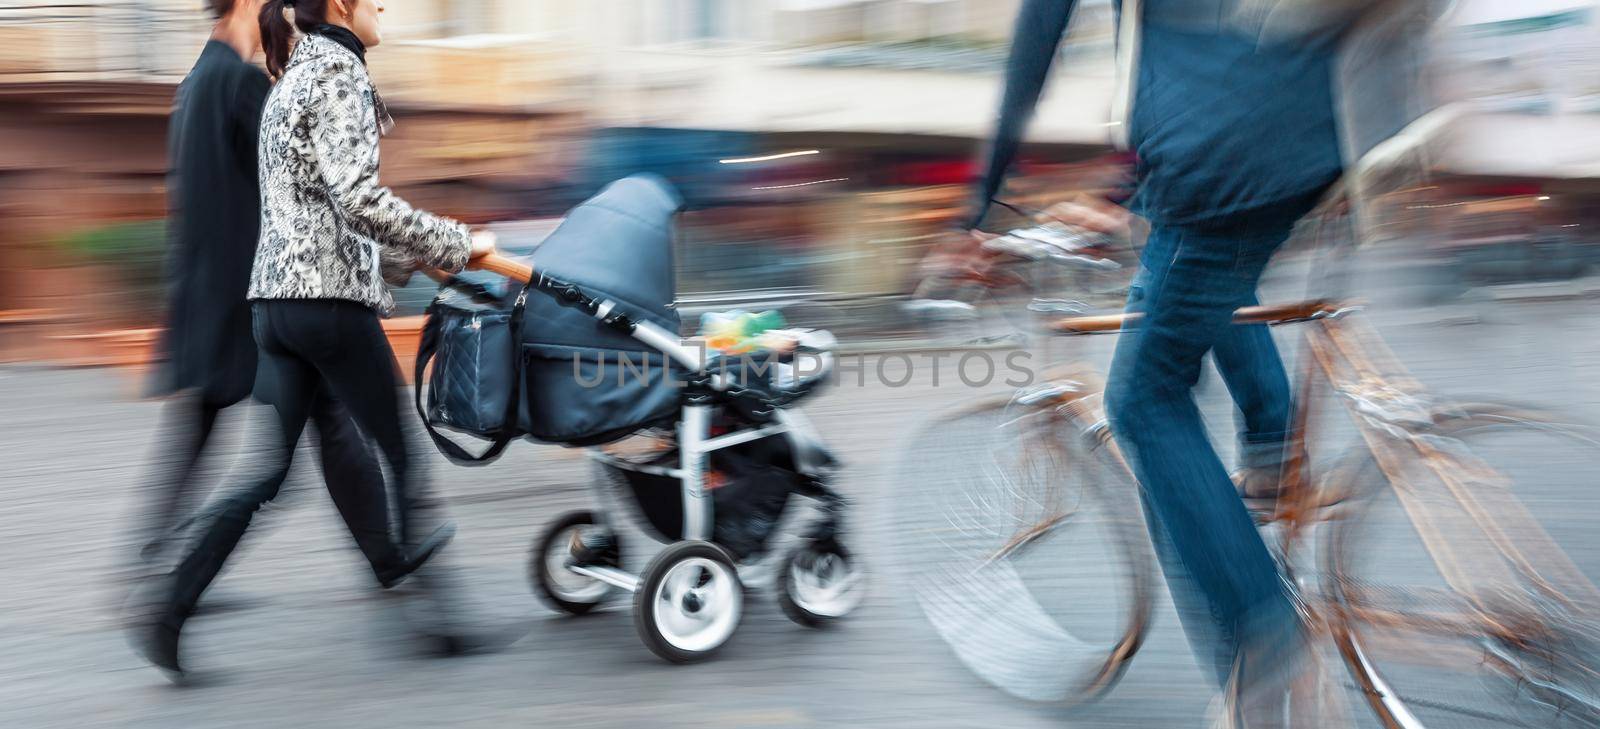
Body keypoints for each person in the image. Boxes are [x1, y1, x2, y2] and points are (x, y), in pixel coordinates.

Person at [963, 0, 1369, 725]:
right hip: (1306, 130)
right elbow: (1200, 50)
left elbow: (1035, 50)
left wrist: (976, 214)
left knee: (1144, 402)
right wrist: (1124, 195)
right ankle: (1274, 457)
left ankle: (1268, 636)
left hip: (1226, 153)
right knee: (1189, 285)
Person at [129, 0, 495, 679]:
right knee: (405, 455)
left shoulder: (290, 74)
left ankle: (168, 608)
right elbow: (357, 198)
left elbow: (311, 207)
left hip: (274, 306)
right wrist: (457, 242)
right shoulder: (338, 71)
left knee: (267, 473)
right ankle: (441, 621)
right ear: (340, 4)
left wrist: (408, 260)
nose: (384, 5)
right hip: (327, 304)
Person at [133, 0, 426, 593]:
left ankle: (165, 587)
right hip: (277, 295)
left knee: (286, 446)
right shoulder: (248, 84)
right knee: (348, 440)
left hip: (234, 297)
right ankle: (402, 571)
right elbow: (323, 196)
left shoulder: (196, 82)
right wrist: (427, 250)